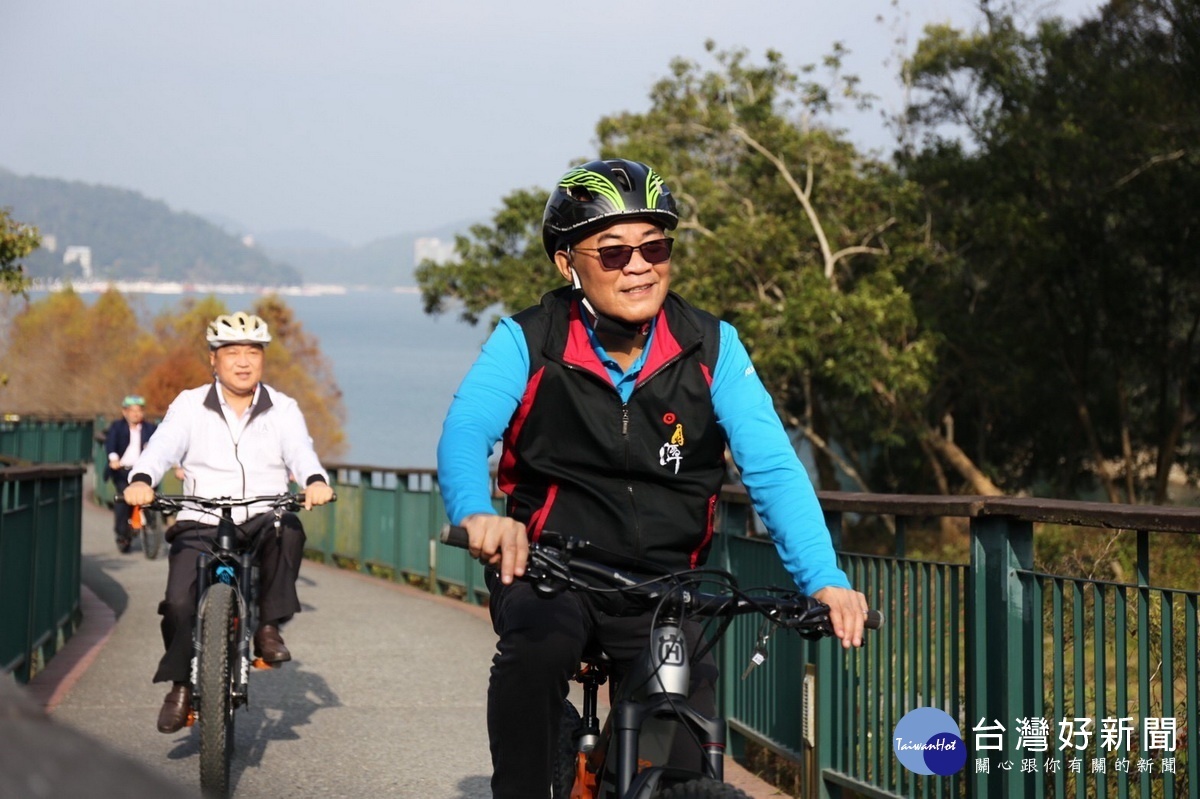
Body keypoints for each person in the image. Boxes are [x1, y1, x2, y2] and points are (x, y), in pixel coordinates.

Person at [437, 158, 870, 798]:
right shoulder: (529, 339)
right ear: (568, 264)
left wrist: (824, 580)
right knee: (536, 652)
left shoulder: (712, 346)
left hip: (670, 584)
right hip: (553, 569)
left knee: (681, 745)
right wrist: (477, 511)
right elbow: (468, 427)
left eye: (654, 246)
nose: (639, 266)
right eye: (612, 254)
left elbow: (774, 468)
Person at [123, 311, 335, 734]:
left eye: (252, 352)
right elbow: (163, 445)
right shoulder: (189, 404)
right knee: (179, 604)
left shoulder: (283, 408)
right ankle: (181, 686)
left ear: (263, 358)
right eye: (232, 352)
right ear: (213, 360)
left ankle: (268, 628)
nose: (243, 361)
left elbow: (301, 450)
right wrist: (143, 479)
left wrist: (314, 480)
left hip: (262, 514)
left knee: (288, 527)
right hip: (201, 518)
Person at [104, 395, 157, 553]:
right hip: (122, 471)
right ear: (125, 412)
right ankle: (122, 533)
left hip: (143, 471)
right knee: (123, 499)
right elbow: (110, 444)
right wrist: (113, 459)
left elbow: (159, 445)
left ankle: (152, 526)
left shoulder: (150, 429)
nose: (136, 414)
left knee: (153, 497)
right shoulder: (117, 427)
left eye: (139, 411)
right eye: (132, 411)